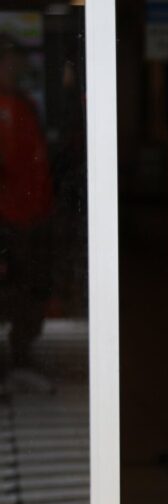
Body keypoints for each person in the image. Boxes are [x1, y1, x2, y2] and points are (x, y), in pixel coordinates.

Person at [0, 34, 54, 394]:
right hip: (11, 216)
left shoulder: (22, 104)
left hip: (31, 213)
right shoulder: (9, 106)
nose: (18, 68)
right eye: (12, 61)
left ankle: (20, 357)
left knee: (30, 288)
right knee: (16, 288)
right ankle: (15, 360)